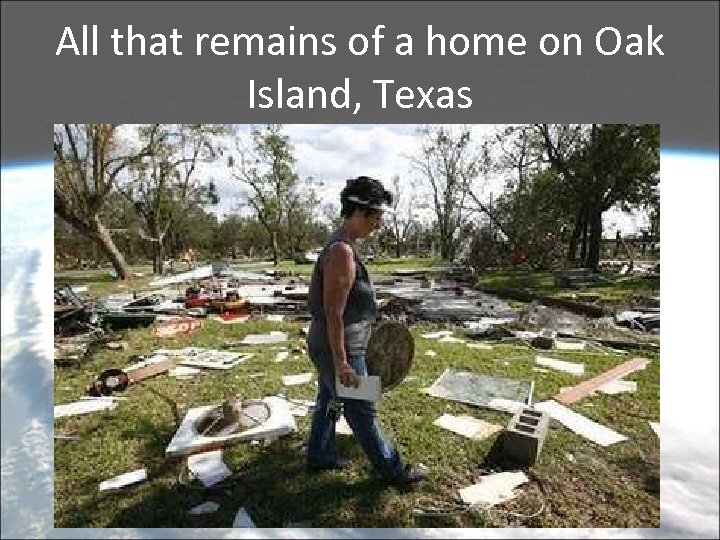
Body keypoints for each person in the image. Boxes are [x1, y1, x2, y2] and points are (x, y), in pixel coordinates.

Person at [305, 176, 427, 485]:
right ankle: (394, 470)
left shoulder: (342, 245)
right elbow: (334, 313)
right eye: (377, 216)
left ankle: (319, 454)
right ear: (360, 212)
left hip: (330, 342)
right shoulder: (342, 252)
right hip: (341, 345)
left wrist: (372, 305)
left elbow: (343, 303)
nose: (380, 224)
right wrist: (342, 362)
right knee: (362, 409)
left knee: (329, 398)